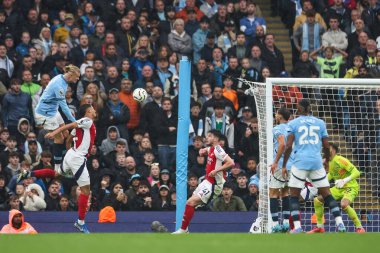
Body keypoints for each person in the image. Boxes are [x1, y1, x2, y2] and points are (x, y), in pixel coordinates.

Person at [19, 104, 97, 233]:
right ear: (87, 112)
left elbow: (69, 140)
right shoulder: (87, 121)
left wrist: (70, 153)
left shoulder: (82, 126)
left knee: (56, 175)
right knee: (85, 191)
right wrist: (54, 133)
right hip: (77, 157)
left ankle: (28, 173)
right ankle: (80, 222)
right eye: (92, 109)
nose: (94, 111)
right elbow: (69, 126)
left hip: (71, 154)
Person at [282, 99, 346, 233]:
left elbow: (288, 146)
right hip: (316, 162)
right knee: (327, 194)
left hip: (300, 162)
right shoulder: (320, 122)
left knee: (293, 195)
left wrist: (283, 165)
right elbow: (326, 145)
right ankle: (340, 223)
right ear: (310, 108)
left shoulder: (293, 123)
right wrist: (327, 162)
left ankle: (298, 227)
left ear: (299, 109)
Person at [173, 130, 234, 233]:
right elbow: (208, 149)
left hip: (214, 185)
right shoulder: (211, 148)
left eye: (209, 136)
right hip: (207, 182)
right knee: (190, 202)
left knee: (191, 202)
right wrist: (203, 150)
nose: (207, 138)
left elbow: (231, 162)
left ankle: (183, 229)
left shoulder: (218, 150)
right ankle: (184, 226)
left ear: (215, 139)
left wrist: (216, 170)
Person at [308, 143, 365, 233]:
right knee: (317, 200)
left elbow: (357, 172)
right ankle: (320, 227)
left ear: (334, 150)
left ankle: (359, 227)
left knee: (344, 204)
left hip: (350, 187)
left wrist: (344, 180)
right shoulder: (328, 162)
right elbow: (331, 174)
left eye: (329, 149)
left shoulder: (341, 160)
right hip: (338, 188)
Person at [34, 64, 80, 175]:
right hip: (45, 113)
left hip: (53, 110)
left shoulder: (61, 78)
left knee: (65, 133)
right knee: (59, 138)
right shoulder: (59, 85)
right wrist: (74, 121)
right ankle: (57, 168)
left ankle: (64, 160)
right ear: (71, 74)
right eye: (77, 76)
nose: (78, 79)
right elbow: (63, 106)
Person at [269, 107, 292, 233]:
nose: (275, 115)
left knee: (272, 193)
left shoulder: (277, 128)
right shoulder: (291, 128)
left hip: (280, 165)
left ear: (280, 116)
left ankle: (275, 225)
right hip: (291, 165)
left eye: (277, 113)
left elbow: (282, 144)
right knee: (285, 193)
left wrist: (275, 162)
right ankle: (286, 224)